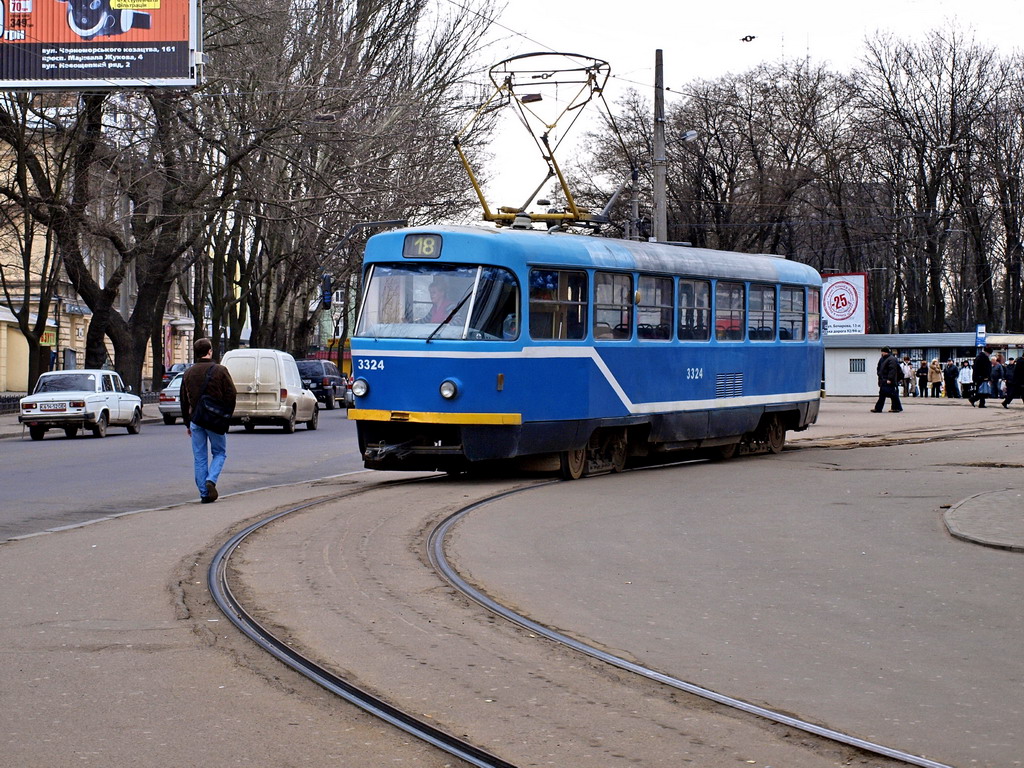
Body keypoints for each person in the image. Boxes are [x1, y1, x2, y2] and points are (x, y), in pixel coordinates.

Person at [180, 338, 237, 503]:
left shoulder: (188, 373)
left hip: (196, 420)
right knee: (219, 452)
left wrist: (187, 423)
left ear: (196, 353)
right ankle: (211, 480)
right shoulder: (220, 370)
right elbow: (231, 394)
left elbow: (184, 401)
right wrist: (226, 414)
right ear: (210, 352)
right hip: (215, 419)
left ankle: (204, 493)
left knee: (199, 456)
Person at [871, 346, 903, 413]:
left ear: (884, 352)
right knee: (885, 394)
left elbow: (892, 370)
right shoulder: (883, 359)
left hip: (888, 380)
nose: (881, 353)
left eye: (882, 351)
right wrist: (879, 374)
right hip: (884, 380)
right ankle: (879, 408)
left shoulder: (892, 359)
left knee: (891, 394)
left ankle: (895, 407)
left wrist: (890, 379)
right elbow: (879, 368)